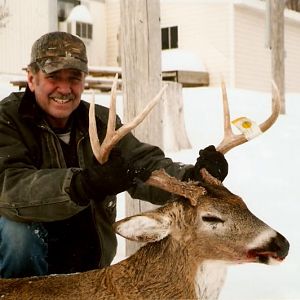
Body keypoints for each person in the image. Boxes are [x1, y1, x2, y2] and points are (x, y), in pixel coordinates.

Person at [0, 31, 228, 278]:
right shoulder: (8, 120)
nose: (64, 89)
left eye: (74, 77)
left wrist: (192, 177)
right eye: (53, 77)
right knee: (16, 232)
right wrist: (80, 185)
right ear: (32, 79)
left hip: (89, 271)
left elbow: (143, 163)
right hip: (27, 270)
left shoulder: (100, 121)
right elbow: (9, 186)